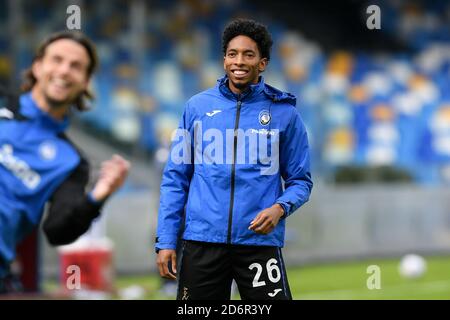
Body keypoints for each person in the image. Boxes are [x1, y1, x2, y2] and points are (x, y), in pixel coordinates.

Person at [155, 19, 313, 300]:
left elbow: (301, 181)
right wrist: (166, 240)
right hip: (202, 243)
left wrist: (279, 208)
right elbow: (175, 179)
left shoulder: (285, 114)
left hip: (258, 243)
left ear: (262, 63)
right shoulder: (196, 108)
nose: (239, 61)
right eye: (232, 54)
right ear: (224, 59)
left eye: (248, 54)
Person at [0, 31, 130, 294]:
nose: (64, 70)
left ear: (85, 81)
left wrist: (98, 196)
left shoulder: (71, 161)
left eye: (76, 66)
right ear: (37, 66)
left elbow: (58, 231)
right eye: (56, 59)